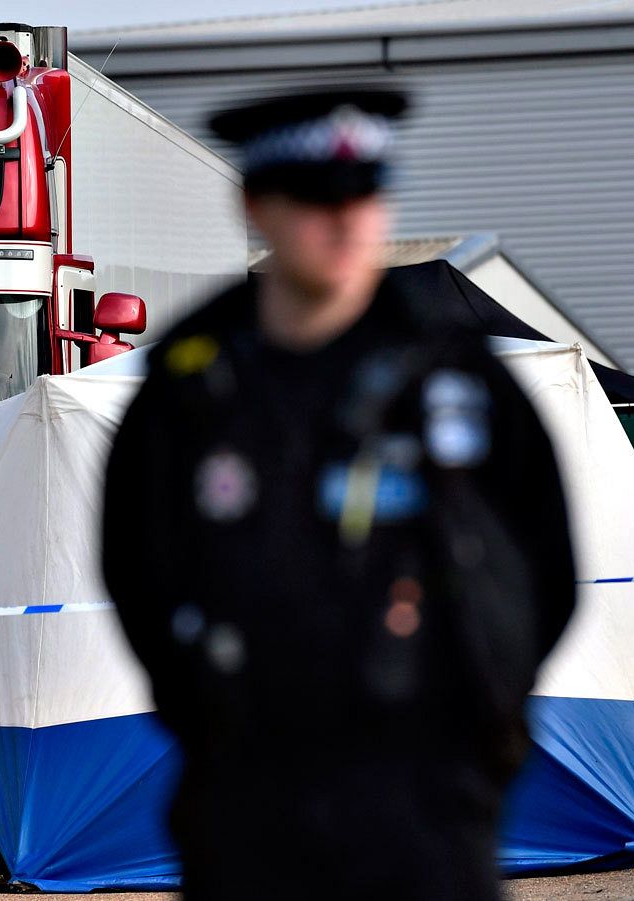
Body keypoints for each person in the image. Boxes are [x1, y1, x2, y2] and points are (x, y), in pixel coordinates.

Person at [100, 88, 577, 899]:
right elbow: (137, 570)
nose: (345, 221)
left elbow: (548, 565)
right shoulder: (192, 383)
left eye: (365, 194)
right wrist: (210, 717)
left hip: (427, 796)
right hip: (251, 794)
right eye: (316, 198)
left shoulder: (456, 375)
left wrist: (485, 717)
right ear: (255, 206)